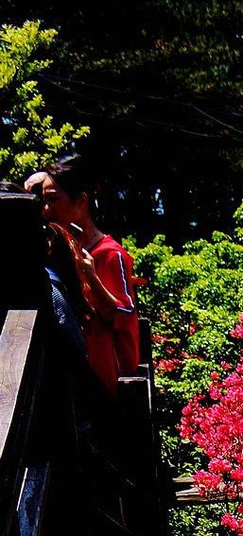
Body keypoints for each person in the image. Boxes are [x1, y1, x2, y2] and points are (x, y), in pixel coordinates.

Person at [38, 156, 139, 394]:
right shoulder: (58, 252)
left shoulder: (110, 254)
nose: (46, 210)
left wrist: (91, 278)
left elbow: (125, 315)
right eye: (44, 201)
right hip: (72, 380)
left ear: (81, 201)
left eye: (53, 200)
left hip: (104, 384)